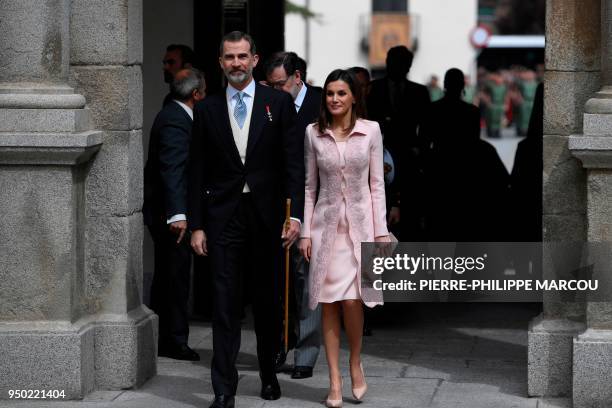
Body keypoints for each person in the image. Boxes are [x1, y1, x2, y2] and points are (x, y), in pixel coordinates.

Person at [188, 31, 304, 408]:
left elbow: (293, 166)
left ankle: (269, 375)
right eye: (228, 57)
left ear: (255, 60)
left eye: (242, 56)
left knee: (268, 304)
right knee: (224, 305)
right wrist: (198, 224)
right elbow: (197, 170)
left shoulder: (278, 104)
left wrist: (296, 217)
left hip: (267, 220)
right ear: (220, 63)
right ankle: (224, 387)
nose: (236, 63)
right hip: (223, 220)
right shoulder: (206, 109)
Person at [299, 69, 390, 407]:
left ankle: (355, 361)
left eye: (341, 93)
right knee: (328, 304)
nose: (334, 99)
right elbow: (310, 187)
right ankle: (334, 379)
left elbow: (377, 186)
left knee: (354, 300)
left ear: (354, 96)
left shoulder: (371, 132)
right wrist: (306, 232)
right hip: (325, 230)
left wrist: (380, 231)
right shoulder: (313, 133)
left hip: (361, 228)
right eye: (329, 94)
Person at [264, 51, 322, 380]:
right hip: (275, 202)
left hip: (312, 202)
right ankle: (278, 344)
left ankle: (307, 352)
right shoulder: (268, 103)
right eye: (270, 85)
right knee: (276, 279)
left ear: (297, 77)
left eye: (280, 84)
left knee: (306, 279)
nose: (275, 90)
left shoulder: (319, 104)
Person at [143, 68, 206, 361]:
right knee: (174, 277)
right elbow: (173, 170)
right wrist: (178, 214)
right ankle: (173, 339)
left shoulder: (175, 115)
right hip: (171, 218)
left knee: (171, 276)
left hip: (170, 214)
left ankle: (166, 336)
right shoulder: (175, 121)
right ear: (196, 94)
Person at [367, 46, 430, 240]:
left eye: (402, 63)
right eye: (393, 61)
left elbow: (427, 127)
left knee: (409, 219)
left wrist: (420, 150)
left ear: (408, 66)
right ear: (387, 63)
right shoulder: (373, 89)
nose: (396, 67)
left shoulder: (419, 92)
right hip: (378, 155)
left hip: (408, 159)